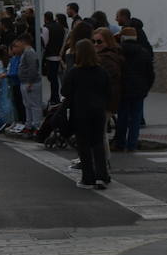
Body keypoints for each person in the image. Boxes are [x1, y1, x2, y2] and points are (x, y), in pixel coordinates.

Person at [62, 39, 112, 189]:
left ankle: (88, 178)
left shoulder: (74, 72)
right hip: (98, 111)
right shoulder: (102, 71)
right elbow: (108, 91)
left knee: (83, 145)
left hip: (81, 112)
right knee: (98, 143)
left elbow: (65, 91)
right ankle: (102, 176)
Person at [111, 26, 154, 152]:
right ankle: (132, 144)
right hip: (139, 91)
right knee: (136, 118)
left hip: (123, 90)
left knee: (122, 117)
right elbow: (150, 74)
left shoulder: (118, 52)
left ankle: (120, 143)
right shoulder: (144, 52)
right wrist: (146, 88)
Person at [14, 34, 43, 136]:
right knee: (28, 105)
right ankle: (29, 125)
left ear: (23, 42)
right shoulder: (26, 52)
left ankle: (36, 126)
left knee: (34, 105)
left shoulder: (29, 52)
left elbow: (33, 68)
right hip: (26, 82)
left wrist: (30, 82)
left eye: (18, 43)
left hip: (30, 83)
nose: (17, 45)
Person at [42, 11, 65, 104]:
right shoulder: (61, 27)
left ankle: (54, 97)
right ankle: (55, 97)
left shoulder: (46, 28)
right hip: (58, 55)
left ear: (45, 18)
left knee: (52, 78)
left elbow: (44, 43)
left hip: (50, 56)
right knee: (55, 78)